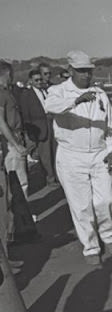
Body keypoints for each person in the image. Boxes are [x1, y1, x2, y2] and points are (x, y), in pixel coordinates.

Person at [45, 51, 112, 265]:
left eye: (89, 71)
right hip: (71, 156)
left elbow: (111, 127)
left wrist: (111, 148)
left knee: (106, 200)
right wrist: (76, 100)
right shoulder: (58, 91)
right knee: (81, 206)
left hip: (99, 154)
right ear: (70, 71)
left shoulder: (100, 94)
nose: (86, 76)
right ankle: (91, 247)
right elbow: (50, 107)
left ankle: (108, 235)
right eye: (81, 72)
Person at [0, 61, 30, 248]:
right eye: (10, 75)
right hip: (11, 145)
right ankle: (16, 230)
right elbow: (1, 123)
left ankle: (16, 228)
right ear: (5, 74)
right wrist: (16, 145)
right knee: (18, 186)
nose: (11, 78)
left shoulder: (6, 92)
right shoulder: (1, 93)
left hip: (15, 140)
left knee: (17, 186)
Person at [19, 69, 56, 185]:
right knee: (45, 156)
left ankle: (54, 176)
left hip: (50, 125)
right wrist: (31, 133)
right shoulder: (27, 95)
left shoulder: (45, 91)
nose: (39, 82)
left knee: (53, 152)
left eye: (41, 79)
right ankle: (49, 178)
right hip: (39, 129)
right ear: (30, 81)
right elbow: (25, 115)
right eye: (36, 80)